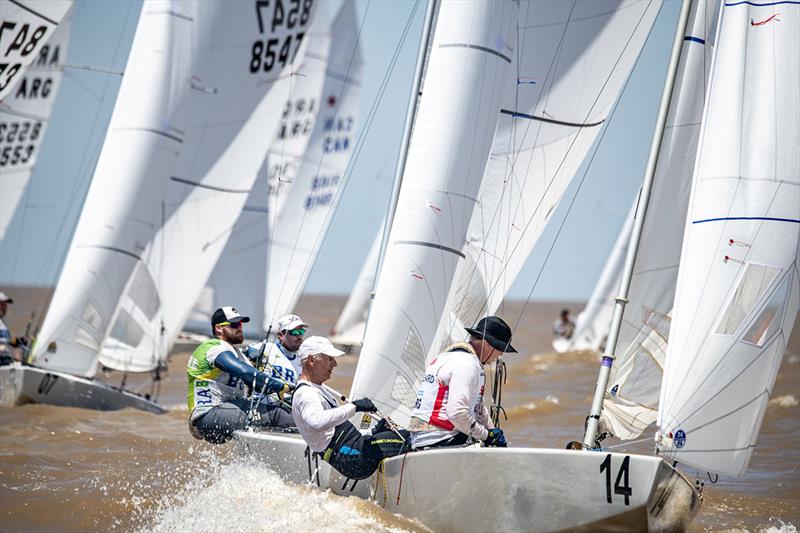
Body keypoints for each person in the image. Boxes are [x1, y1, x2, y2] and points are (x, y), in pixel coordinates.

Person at [292, 336, 410, 480]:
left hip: (353, 450)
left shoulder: (316, 389)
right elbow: (316, 421)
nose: (334, 364)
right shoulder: (306, 393)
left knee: (401, 435)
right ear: (311, 360)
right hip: (353, 458)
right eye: (329, 358)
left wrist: (374, 430)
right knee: (410, 439)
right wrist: (354, 407)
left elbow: (340, 432)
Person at [187, 306, 294, 444]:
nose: (240, 328)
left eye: (241, 324)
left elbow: (256, 383)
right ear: (219, 328)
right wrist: (279, 386)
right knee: (277, 414)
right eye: (234, 324)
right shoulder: (213, 347)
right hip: (207, 415)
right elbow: (244, 372)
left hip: (223, 412)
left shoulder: (235, 353)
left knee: (278, 408)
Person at [409, 315, 517, 450]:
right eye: (500, 350)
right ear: (488, 345)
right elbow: (457, 413)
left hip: (420, 440)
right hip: (440, 440)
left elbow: (477, 406)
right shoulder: (467, 364)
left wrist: (491, 431)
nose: (500, 355)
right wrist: (487, 436)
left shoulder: (446, 357)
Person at [245, 313, 307, 386]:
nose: (299, 337)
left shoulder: (303, 362)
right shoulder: (265, 348)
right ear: (281, 335)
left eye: (302, 332)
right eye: (295, 332)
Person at [0, 292, 14, 365]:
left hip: (6, 360)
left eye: (5, 305)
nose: (5, 307)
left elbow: (4, 341)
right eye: (2, 304)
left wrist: (15, 341)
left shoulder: (2, 323)